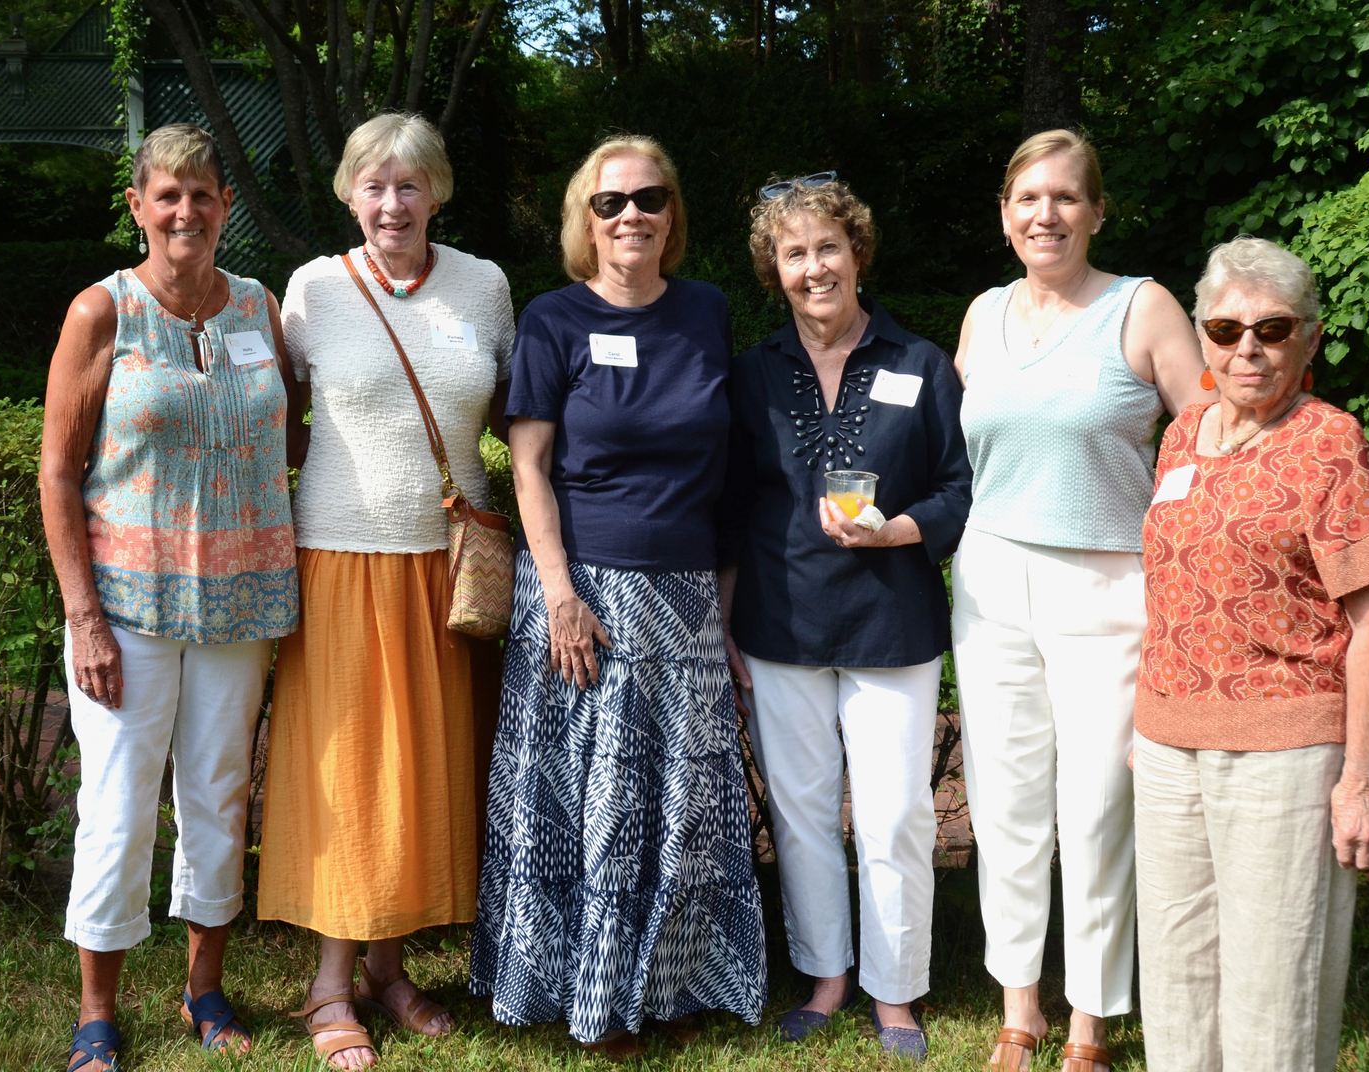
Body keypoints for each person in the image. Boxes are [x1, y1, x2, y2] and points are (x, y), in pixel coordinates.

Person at [468, 135, 767, 1056]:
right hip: (585, 592)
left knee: (682, 802)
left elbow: (725, 477)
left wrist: (720, 614)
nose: (629, 214)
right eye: (609, 202)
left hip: (685, 597)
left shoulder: (706, 312)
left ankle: (672, 978)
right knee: (589, 801)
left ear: (672, 213)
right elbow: (528, 470)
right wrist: (557, 594)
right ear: (583, 221)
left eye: (648, 198)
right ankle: (585, 991)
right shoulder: (554, 319)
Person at [949, 128, 1215, 1072]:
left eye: (1065, 198)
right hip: (990, 582)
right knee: (1008, 801)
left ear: (1097, 212)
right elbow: (964, 458)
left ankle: (1091, 1019)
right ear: (1006, 215)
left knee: (1098, 803)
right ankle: (1018, 1008)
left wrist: (1193, 564)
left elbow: (1207, 442)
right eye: (1028, 199)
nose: (1045, 214)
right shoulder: (982, 316)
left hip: (1109, 584)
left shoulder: (1142, 309)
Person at [256, 112, 514, 1071]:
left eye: (409, 185)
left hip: (448, 569)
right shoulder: (316, 288)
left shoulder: (485, 287)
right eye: (374, 185)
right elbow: (275, 423)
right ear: (349, 195)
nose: (391, 203)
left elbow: (523, 421)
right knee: (347, 774)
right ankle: (331, 983)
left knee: (421, 773)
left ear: (438, 192)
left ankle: (389, 971)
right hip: (340, 556)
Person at [39, 123, 299, 1072]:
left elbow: (289, 435)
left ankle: (204, 989)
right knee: (117, 806)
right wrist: (84, 619)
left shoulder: (260, 308)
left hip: (240, 608)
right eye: (168, 194)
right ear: (138, 207)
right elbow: (59, 475)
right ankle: (98, 1014)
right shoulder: (100, 314)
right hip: (128, 613)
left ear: (225, 206)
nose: (185, 211)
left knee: (220, 799)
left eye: (203, 194)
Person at [720, 175, 972, 1063]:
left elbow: (959, 487)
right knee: (799, 807)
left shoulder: (919, 363)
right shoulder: (753, 373)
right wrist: (723, 612)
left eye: (828, 247)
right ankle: (826, 973)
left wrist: (904, 529)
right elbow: (733, 499)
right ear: (773, 270)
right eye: (794, 254)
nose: (814, 267)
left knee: (898, 810)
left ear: (857, 253)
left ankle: (894, 988)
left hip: (890, 618)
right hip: (780, 618)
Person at [1134, 236, 1369, 1072]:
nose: (1246, 347)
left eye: (1272, 328)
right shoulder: (1179, 435)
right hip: (1169, 745)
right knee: (1176, 973)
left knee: (1274, 980)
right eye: (1225, 329)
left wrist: (1360, 779)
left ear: (1309, 339)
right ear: (1205, 341)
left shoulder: (1330, 443)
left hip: (1287, 748)